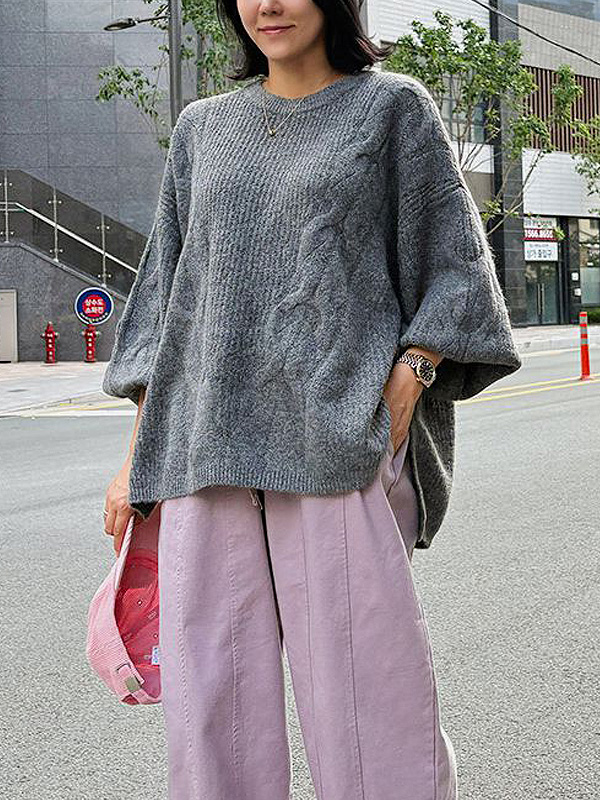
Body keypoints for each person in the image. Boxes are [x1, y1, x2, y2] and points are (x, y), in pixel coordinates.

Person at [101, 0, 522, 796]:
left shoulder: (391, 108)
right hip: (204, 448)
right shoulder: (201, 128)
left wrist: (412, 374)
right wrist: (135, 463)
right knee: (212, 706)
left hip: (337, 441)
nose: (267, 5)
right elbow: (165, 308)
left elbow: (457, 268)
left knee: (371, 701)